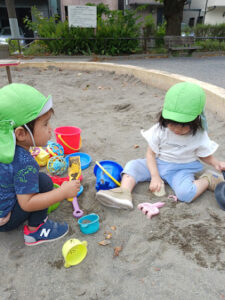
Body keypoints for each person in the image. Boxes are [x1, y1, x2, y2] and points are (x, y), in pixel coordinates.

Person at [96, 82, 225, 209]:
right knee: (132, 166)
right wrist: (155, 176)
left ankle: (208, 179)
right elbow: (151, 154)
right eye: (172, 123)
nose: (177, 129)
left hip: (182, 169)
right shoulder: (160, 130)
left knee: (186, 194)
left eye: (184, 125)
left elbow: (203, 154)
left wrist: (216, 163)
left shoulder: (199, 135)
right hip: (159, 163)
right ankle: (124, 193)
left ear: (196, 121)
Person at [0, 83, 80, 245]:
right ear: (21, 134)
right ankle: (36, 230)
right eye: (45, 124)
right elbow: (28, 204)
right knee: (44, 181)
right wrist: (63, 192)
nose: (50, 129)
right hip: (6, 221)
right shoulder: (25, 163)